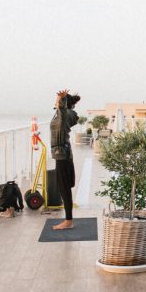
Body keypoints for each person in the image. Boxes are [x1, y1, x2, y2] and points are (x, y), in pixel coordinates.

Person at [50, 89, 80, 230]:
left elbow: (62, 111)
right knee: (64, 187)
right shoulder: (67, 114)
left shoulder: (64, 113)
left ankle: (68, 221)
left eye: (57, 100)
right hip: (63, 153)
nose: (55, 101)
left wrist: (62, 100)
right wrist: (61, 103)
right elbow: (61, 112)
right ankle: (68, 220)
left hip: (62, 154)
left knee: (64, 188)